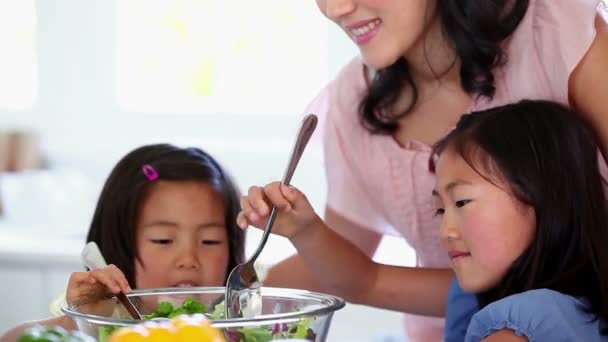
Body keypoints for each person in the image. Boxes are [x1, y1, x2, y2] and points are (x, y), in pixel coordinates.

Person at [262, 0, 608, 340]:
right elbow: (355, 275)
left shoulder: (559, 32)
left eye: (461, 203)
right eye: (440, 209)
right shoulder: (354, 97)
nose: (334, 9)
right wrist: (236, 290)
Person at [238, 100, 608, 341]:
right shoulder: (493, 297)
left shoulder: (519, 327)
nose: (446, 230)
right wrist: (305, 229)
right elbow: (367, 281)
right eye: (441, 209)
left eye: (463, 201)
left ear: (544, 199)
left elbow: (367, 283)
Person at [0, 143, 245, 341]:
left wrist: (286, 232)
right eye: (163, 240)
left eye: (210, 241)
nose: (189, 259)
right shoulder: (98, 318)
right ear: (118, 242)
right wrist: (79, 323)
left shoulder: (245, 313)